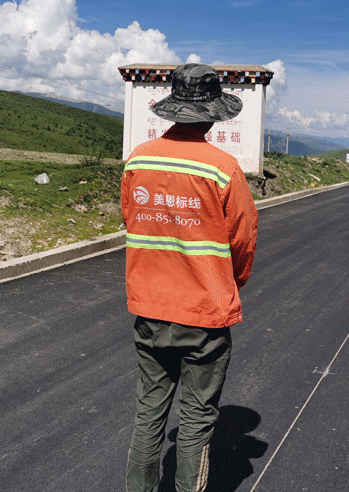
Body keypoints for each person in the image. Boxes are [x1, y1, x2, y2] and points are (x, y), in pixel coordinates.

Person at [120, 63, 258, 492]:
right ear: (214, 113)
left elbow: (131, 218)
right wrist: (231, 281)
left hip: (149, 308)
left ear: (172, 110)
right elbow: (243, 239)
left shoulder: (138, 160)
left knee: (149, 414)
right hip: (203, 315)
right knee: (196, 421)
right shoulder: (223, 169)